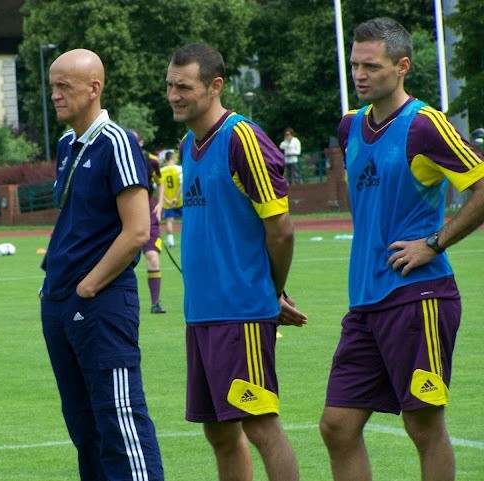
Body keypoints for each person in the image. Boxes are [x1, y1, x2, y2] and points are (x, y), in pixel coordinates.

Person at [319, 18, 484, 481]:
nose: (359, 74)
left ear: (402, 66)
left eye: (371, 65)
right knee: (337, 426)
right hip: (365, 303)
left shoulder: (425, 125)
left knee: (423, 425)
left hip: (419, 299)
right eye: (355, 64)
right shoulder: (350, 126)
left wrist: (434, 243)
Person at [167, 42, 307, 481]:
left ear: (215, 86)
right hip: (202, 313)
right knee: (219, 433)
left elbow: (281, 228)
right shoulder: (189, 144)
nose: (173, 95)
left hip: (241, 314)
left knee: (261, 426)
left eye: (184, 87)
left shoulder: (242, 137)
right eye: (170, 86)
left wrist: (270, 291)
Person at [39, 48, 164, 481]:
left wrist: (88, 286)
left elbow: (136, 231)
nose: (54, 95)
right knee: (83, 426)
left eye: (64, 86)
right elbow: (74, 220)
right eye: (52, 85)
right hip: (60, 301)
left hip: (100, 303)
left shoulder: (117, 142)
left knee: (119, 420)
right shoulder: (67, 145)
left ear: (94, 88)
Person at [131, 129, 167, 314]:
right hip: (126, 219)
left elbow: (161, 182)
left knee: (152, 258)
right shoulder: (116, 158)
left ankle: (155, 303)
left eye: (135, 141)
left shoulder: (151, 160)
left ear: (141, 142)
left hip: (149, 217)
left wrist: (160, 204)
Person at [159, 150, 183, 248]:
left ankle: (171, 243)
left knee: (169, 221)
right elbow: (182, 184)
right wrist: (176, 198)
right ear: (172, 158)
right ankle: (187, 240)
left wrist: (166, 200)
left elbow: (159, 187)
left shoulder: (161, 171)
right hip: (179, 200)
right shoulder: (179, 169)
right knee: (186, 220)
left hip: (167, 202)